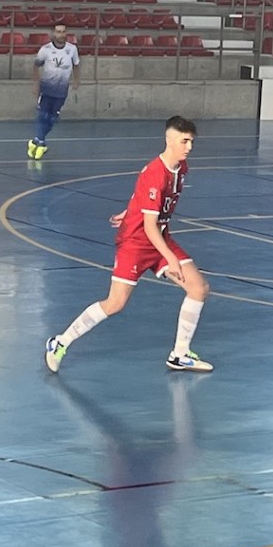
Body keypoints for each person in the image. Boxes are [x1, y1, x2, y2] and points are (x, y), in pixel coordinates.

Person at [45, 116, 212, 373]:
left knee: (198, 288)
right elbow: (147, 225)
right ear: (169, 140)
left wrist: (131, 210)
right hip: (136, 243)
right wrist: (170, 257)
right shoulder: (156, 173)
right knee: (115, 303)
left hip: (159, 237)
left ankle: (179, 354)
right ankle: (60, 342)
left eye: (191, 142)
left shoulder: (181, 168)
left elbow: (143, 198)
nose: (189, 147)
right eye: (184, 141)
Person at [27, 23, 80, 160]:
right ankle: (41, 142)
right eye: (58, 32)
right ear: (53, 34)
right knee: (42, 115)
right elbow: (36, 66)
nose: (61, 34)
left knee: (52, 118)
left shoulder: (72, 49)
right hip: (46, 89)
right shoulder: (45, 50)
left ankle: (36, 141)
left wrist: (76, 80)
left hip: (61, 90)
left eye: (63, 31)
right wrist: (35, 84)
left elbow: (76, 65)